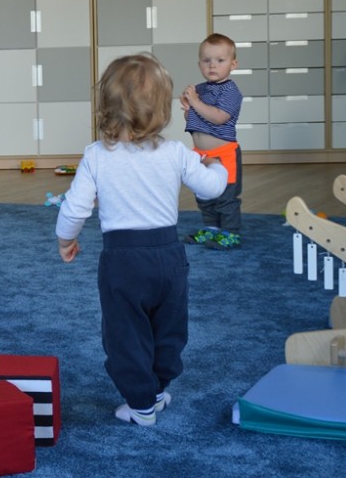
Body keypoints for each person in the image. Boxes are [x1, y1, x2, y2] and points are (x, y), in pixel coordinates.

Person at [55, 54, 227, 427]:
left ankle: (140, 404)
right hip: (169, 258)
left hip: (123, 261)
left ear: (106, 107)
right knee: (169, 328)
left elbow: (74, 208)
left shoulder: (96, 156)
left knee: (125, 334)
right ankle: (158, 388)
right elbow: (212, 188)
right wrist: (218, 165)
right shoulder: (175, 152)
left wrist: (65, 240)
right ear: (162, 109)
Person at [180, 33, 243, 250]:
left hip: (224, 153)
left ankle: (231, 232)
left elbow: (218, 117)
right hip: (201, 154)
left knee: (226, 196)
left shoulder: (231, 91)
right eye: (206, 60)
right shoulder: (201, 89)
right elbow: (195, 120)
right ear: (199, 64)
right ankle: (212, 228)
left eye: (220, 60)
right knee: (204, 194)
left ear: (233, 64)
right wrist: (188, 109)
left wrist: (195, 102)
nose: (212, 65)